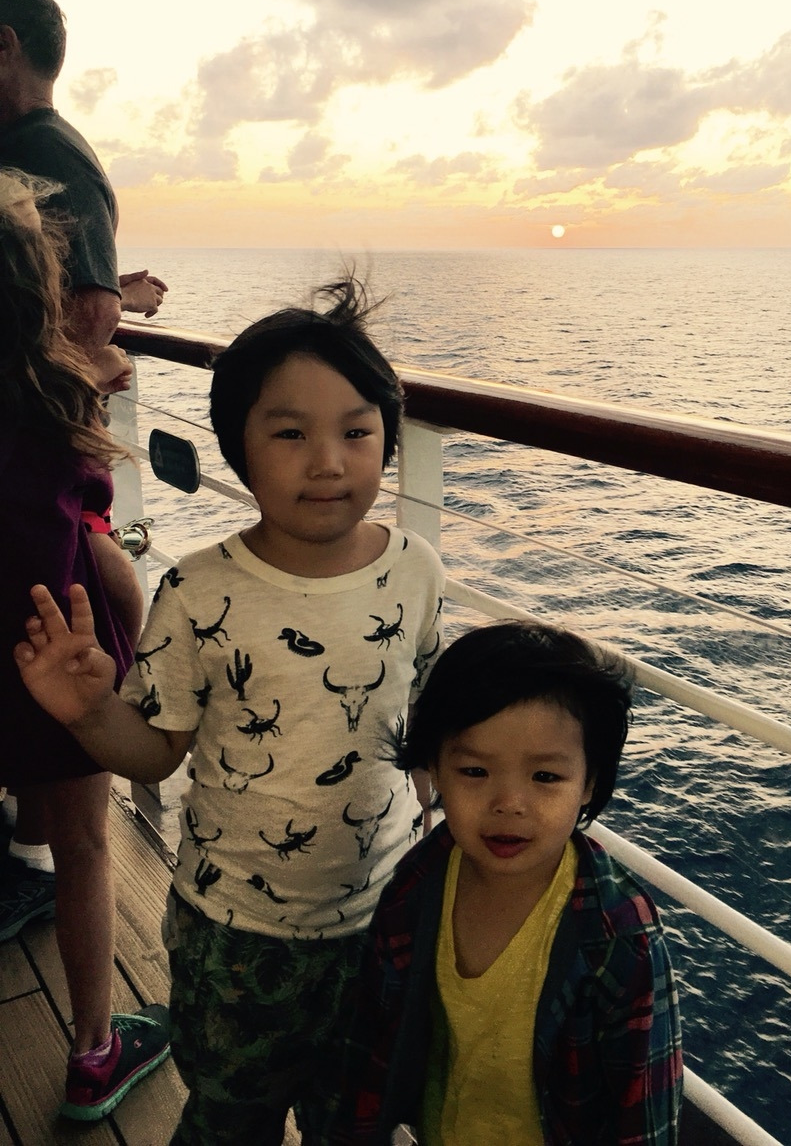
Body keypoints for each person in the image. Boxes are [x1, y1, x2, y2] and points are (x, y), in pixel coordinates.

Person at [15, 279, 446, 1144]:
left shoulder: (417, 570)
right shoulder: (199, 590)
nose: (328, 462)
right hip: (235, 936)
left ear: (390, 440)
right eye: (289, 433)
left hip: (380, 923)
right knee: (227, 1121)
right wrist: (90, 712)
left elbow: (425, 723)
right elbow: (155, 753)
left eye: (357, 431)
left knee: (354, 1123)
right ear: (237, 447)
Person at [330, 620, 684, 1145]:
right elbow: (370, 1042)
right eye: (475, 771)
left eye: (545, 777)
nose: (509, 804)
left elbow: (644, 1115)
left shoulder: (617, 936)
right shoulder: (420, 881)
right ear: (434, 769)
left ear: (589, 783)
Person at [0, 205, 170, 1120]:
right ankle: (95, 1050)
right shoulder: (53, 404)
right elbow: (96, 538)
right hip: (58, 639)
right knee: (84, 847)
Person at [0, 0, 168, 366]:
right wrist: (118, 293)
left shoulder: (47, 155)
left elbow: (94, 315)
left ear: (3, 44)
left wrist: (60, 392)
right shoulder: (33, 147)